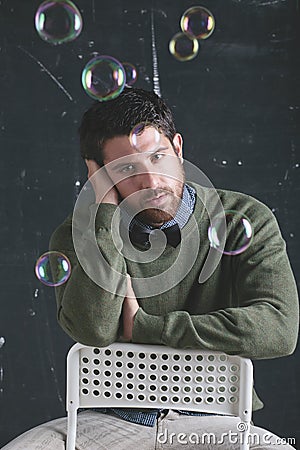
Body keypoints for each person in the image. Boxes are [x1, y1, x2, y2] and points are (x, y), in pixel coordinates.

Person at [3, 87, 298, 449]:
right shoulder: (78, 232)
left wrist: (147, 327)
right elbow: (94, 330)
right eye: (126, 169)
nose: (152, 183)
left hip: (214, 420)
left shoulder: (245, 219)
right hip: (108, 419)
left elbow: (279, 330)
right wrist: (104, 215)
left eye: (158, 157)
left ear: (178, 148)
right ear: (101, 176)